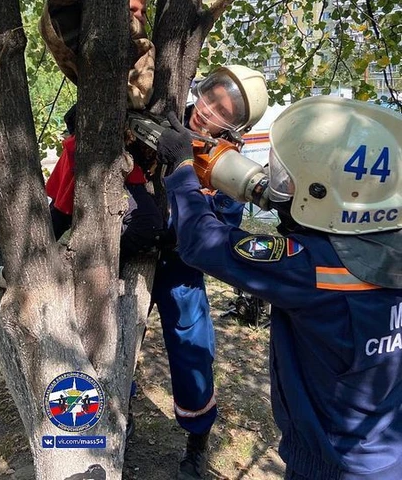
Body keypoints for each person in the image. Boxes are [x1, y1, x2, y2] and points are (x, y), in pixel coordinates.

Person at [156, 95, 402, 480]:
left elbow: (201, 242)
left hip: (330, 465)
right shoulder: (387, 251)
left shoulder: (309, 266)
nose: (279, 182)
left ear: (325, 190)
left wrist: (183, 168)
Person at [44, 63, 268, 479]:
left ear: (237, 126)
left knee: (192, 345)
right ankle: (114, 416)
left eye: (225, 111)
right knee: (112, 336)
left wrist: (177, 226)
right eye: (210, 97)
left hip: (181, 266)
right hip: (127, 254)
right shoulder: (158, 119)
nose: (208, 112)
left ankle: (197, 439)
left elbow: (220, 236)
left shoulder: (229, 168)